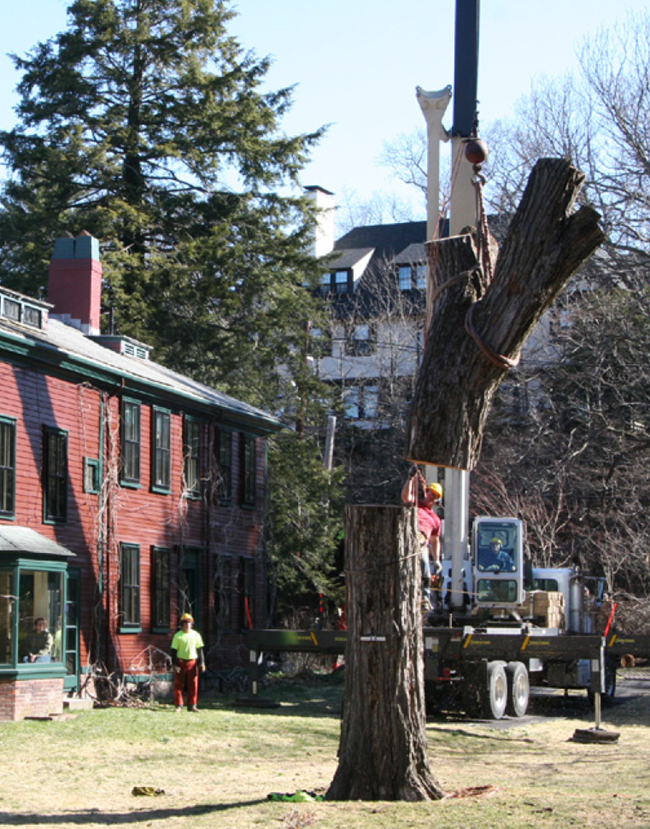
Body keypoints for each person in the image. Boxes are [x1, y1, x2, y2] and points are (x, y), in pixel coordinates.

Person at [402, 466, 443, 608]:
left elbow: (435, 541)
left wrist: (436, 560)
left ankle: (424, 598)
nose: (430, 496)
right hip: (406, 537)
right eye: (430, 492)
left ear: (437, 501)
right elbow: (406, 497)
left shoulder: (435, 519)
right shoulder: (416, 505)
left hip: (421, 544)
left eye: (434, 495)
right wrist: (410, 479)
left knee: (425, 570)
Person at [170, 613, 206, 712]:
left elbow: (200, 649)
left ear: (192, 624)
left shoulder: (196, 635)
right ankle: (179, 705)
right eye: (185, 622)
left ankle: (192, 705)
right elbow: (173, 651)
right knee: (179, 683)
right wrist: (174, 664)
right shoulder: (178, 636)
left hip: (192, 662)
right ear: (182, 624)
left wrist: (202, 663)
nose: (187, 624)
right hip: (180, 661)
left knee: (193, 683)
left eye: (189, 622)